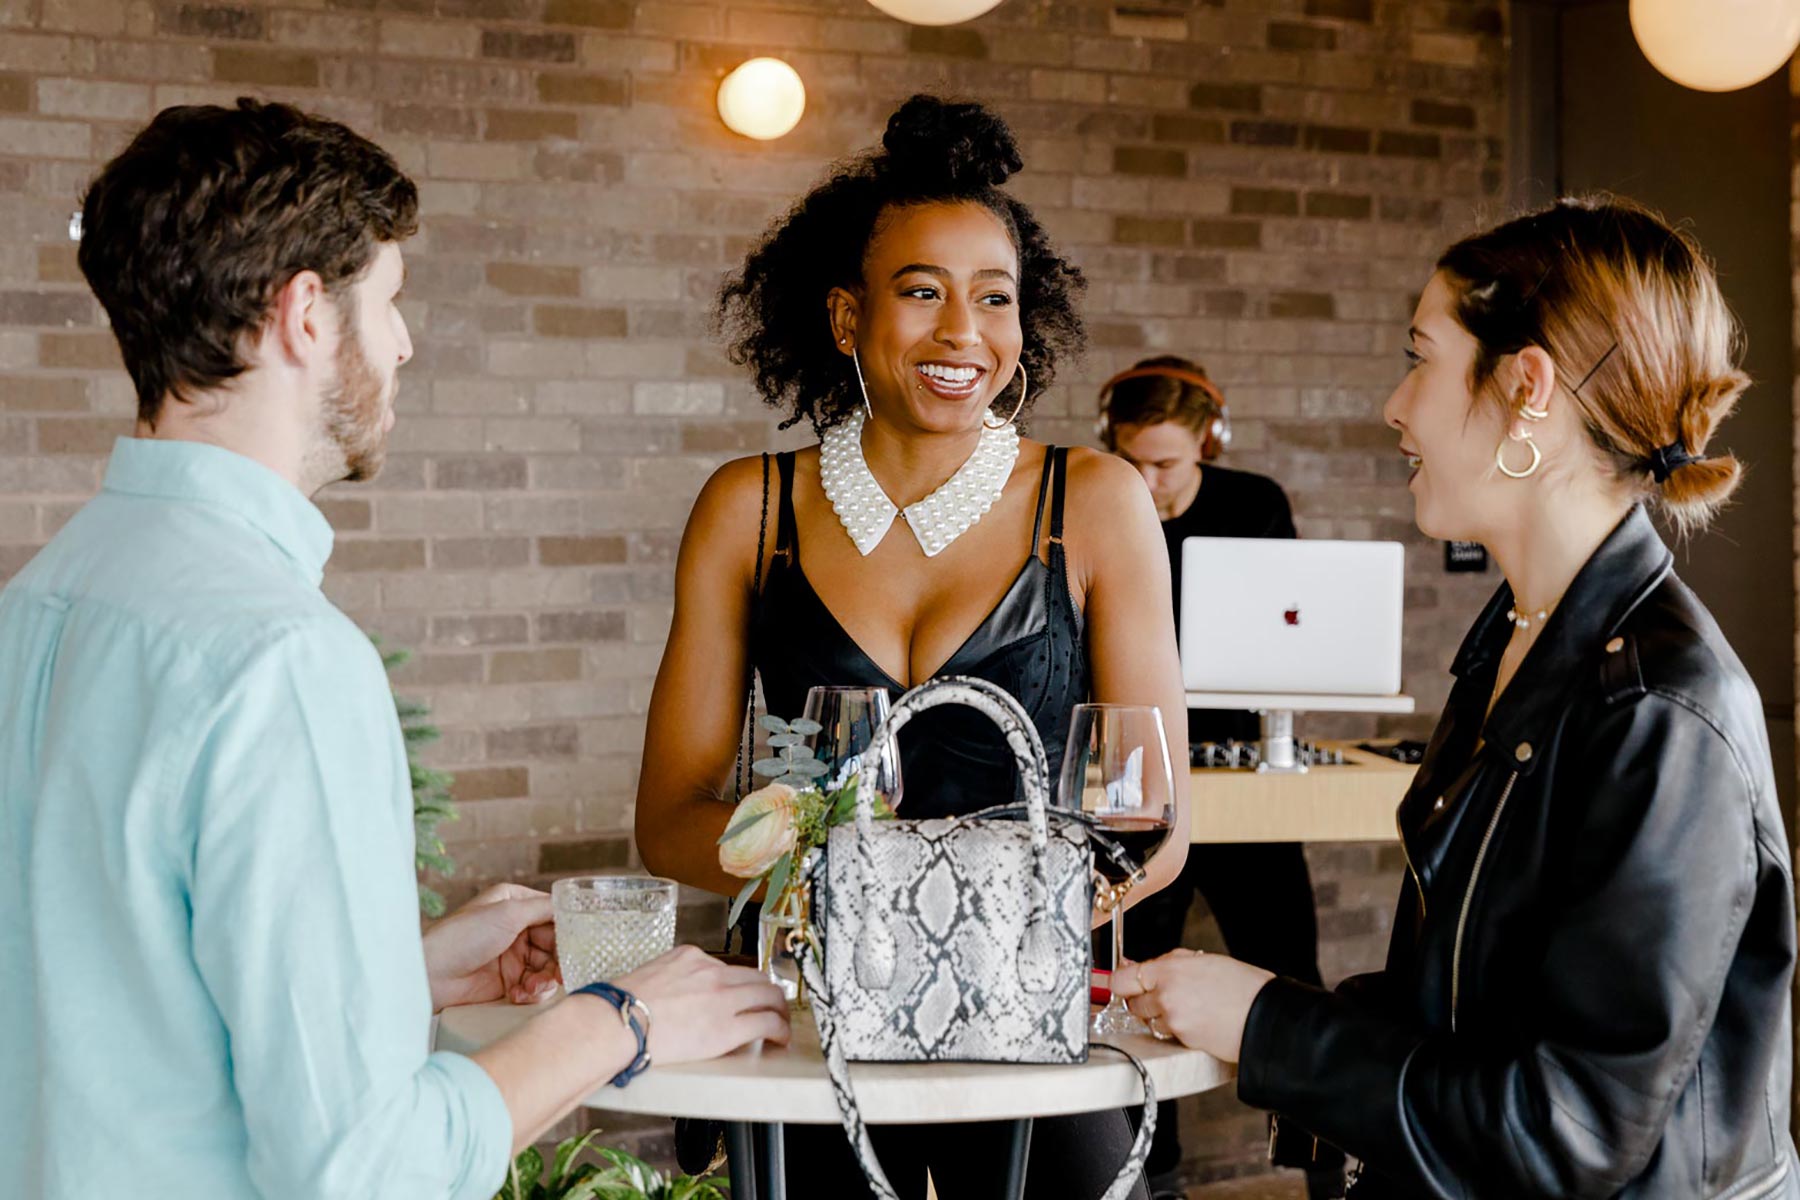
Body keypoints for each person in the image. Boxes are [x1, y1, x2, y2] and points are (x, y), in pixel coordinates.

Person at [0, 99, 789, 1200]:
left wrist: (395, 975)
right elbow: (361, 1172)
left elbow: (110, 1012)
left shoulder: (32, 609)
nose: (406, 343)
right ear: (306, 316)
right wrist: (626, 1020)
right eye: (392, 301)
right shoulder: (280, 658)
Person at [1115, 196, 1799, 1199]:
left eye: (1419, 356)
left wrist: (1270, 1024)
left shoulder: (1660, 710)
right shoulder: (1514, 644)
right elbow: (1466, 1008)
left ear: (1526, 386)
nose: (1395, 405)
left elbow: (1566, 1133)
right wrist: (1234, 1003)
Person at [634, 95, 1188, 1200]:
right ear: (846, 318)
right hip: (810, 1017)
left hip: (1025, 1017)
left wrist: (981, 942)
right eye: (922, 293)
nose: (962, 334)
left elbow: (1151, 824)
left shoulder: (1096, 501)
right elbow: (669, 816)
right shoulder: (748, 509)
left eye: (996, 299)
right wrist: (822, 888)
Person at [1100, 357, 1336, 1200]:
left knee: (1291, 975)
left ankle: (1324, 1174)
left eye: (1167, 464)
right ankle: (1144, 1180)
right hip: (1140, 782)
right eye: (1134, 462)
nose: (1151, 482)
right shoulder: (1103, 503)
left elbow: (1289, 631)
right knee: (1129, 988)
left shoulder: (1254, 503)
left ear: (1210, 440)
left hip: (1239, 774)